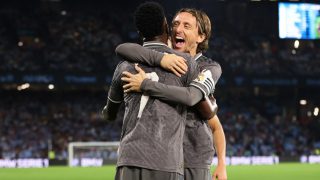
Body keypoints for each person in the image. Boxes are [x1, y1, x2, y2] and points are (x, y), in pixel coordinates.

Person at [102, 2, 216, 180]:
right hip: (167, 162)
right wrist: (161, 59)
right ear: (166, 26)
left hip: (130, 159)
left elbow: (109, 114)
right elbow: (204, 108)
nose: (178, 29)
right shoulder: (187, 65)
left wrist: (145, 85)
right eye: (175, 24)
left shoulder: (124, 65)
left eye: (186, 26)